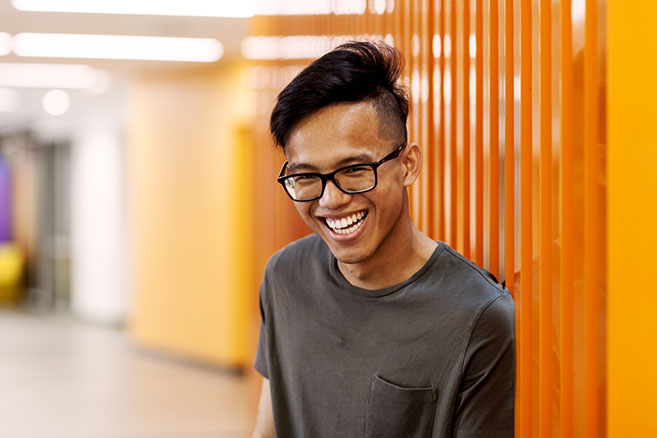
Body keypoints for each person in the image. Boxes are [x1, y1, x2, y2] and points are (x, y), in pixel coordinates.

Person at [252, 41, 514, 438]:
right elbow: (268, 426)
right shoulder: (284, 277)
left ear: (408, 165)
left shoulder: (480, 318)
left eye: (355, 169)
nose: (331, 200)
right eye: (306, 176)